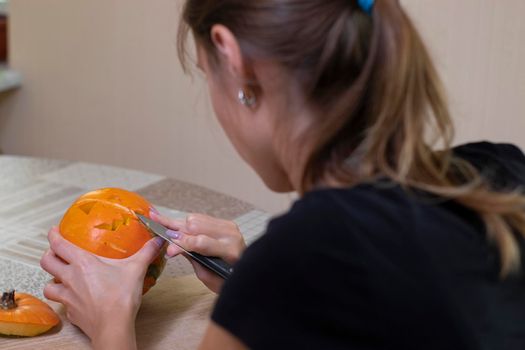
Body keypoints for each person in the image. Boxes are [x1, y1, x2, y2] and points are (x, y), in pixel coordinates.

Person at [40, 0, 525, 349]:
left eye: (208, 74)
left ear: (233, 60)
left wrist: (110, 326)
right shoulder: (501, 169)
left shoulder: (304, 257)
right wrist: (254, 290)